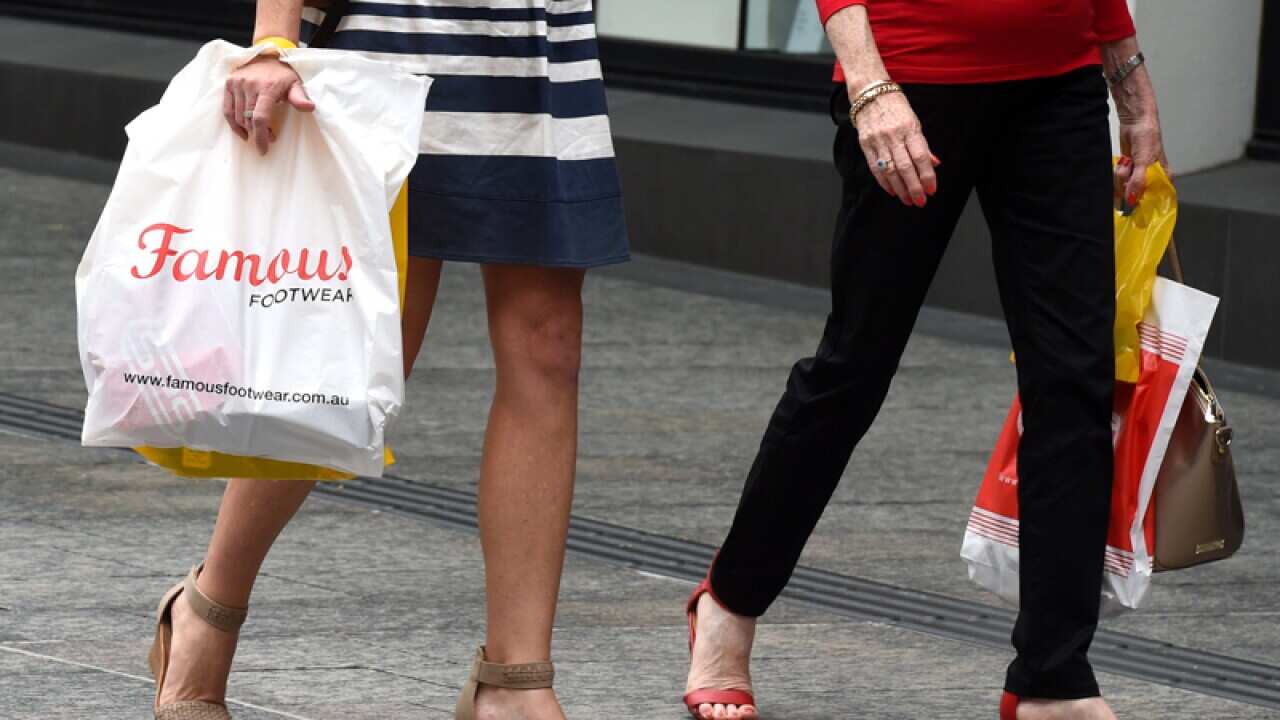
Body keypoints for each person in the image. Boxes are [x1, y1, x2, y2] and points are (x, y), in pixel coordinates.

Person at [682, 1, 1167, 719]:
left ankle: (1052, 677)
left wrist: (1129, 80)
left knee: (1074, 383)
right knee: (854, 371)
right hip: (910, 75)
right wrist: (869, 83)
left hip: (1057, 80)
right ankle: (729, 602)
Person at [146, 2, 627, 719]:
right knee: (355, 358)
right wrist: (275, 37)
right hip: (397, 35)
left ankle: (513, 683)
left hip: (535, 47)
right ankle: (208, 609)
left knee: (548, 344)